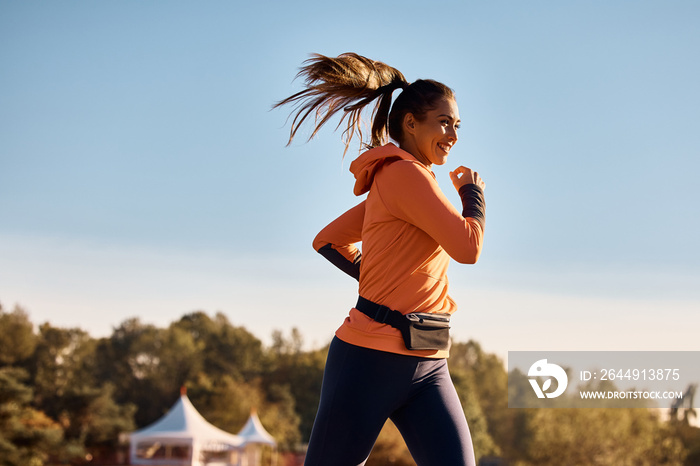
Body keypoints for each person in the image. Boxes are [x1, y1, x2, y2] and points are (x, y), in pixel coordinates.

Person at [275, 53, 486, 466]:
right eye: (444, 122)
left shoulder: (409, 181)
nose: (453, 135)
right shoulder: (404, 175)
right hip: (369, 360)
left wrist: (376, 276)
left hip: (428, 364)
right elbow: (468, 248)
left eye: (457, 125)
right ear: (410, 122)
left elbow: (328, 240)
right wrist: (473, 195)